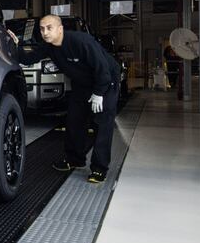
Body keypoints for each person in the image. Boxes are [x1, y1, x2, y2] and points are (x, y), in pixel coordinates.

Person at [8, 15, 121, 184]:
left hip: (106, 80)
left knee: (102, 123)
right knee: (74, 120)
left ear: (60, 29)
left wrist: (98, 94)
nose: (45, 32)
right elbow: (28, 59)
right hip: (82, 83)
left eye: (49, 28)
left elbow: (103, 69)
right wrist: (15, 45)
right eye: (42, 28)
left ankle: (99, 168)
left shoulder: (82, 42)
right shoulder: (48, 46)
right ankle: (75, 159)